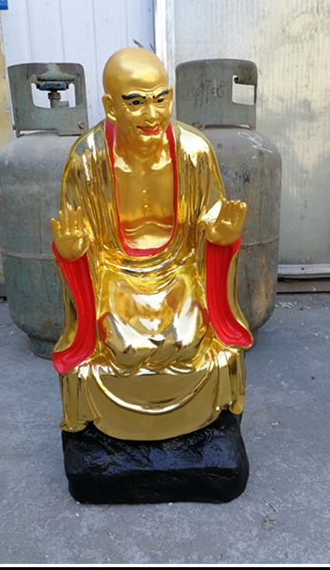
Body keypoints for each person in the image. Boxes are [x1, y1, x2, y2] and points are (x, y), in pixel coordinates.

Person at [50, 47, 252, 441]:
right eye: (136, 103)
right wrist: (72, 252)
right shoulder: (87, 160)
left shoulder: (194, 151)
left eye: (161, 99)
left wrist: (222, 238)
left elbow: (210, 221)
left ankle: (197, 420)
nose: (152, 114)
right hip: (116, 274)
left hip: (178, 270)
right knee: (125, 349)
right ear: (111, 107)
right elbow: (78, 236)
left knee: (188, 342)